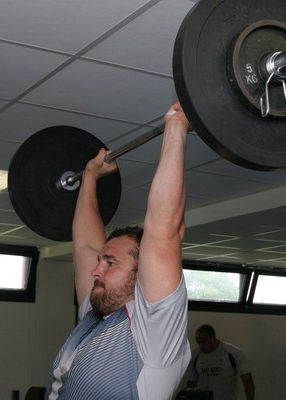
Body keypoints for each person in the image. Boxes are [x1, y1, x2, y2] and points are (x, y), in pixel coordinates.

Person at [45, 102, 192, 400]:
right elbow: (85, 244)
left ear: (143, 274)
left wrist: (177, 127)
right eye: (102, 261)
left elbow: (164, 231)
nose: (96, 270)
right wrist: (90, 177)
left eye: (110, 263)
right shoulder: (95, 312)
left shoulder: (154, 330)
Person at [187, 324, 255, 400]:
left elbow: (248, 382)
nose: (201, 346)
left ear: (213, 338)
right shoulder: (195, 356)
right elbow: (191, 385)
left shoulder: (233, 353)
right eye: (198, 343)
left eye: (203, 342)